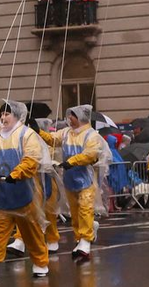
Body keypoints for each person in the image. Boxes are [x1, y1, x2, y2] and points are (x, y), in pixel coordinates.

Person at [0, 101, 51, 281]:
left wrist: (16, 174)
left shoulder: (27, 134)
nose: (3, 117)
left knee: (31, 232)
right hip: (1, 194)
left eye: (7, 114)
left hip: (24, 194)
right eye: (1, 114)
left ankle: (41, 262)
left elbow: (32, 158)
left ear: (17, 115)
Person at [40, 104, 109, 261]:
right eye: (69, 115)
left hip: (86, 179)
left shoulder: (91, 135)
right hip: (69, 179)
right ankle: (81, 237)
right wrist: (39, 132)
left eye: (73, 115)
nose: (69, 118)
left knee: (85, 208)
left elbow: (90, 154)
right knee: (75, 211)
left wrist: (72, 161)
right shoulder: (65, 133)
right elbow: (53, 139)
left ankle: (85, 239)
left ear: (81, 117)